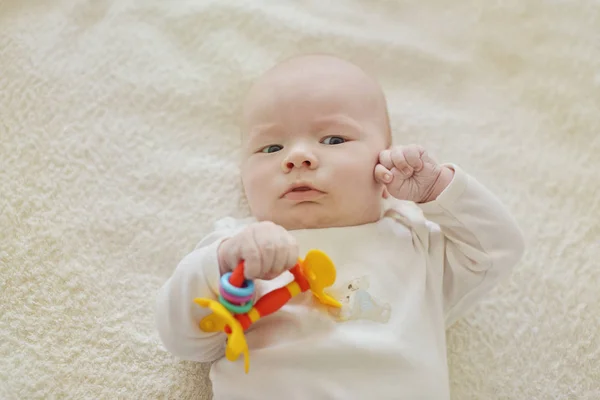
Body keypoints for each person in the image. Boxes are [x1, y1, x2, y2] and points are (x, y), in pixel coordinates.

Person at [155, 54, 525, 399]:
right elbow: (184, 340)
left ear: (384, 161)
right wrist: (223, 261)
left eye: (333, 139)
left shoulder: (413, 243)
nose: (297, 157)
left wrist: (438, 191)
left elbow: (496, 250)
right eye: (270, 148)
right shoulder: (237, 248)